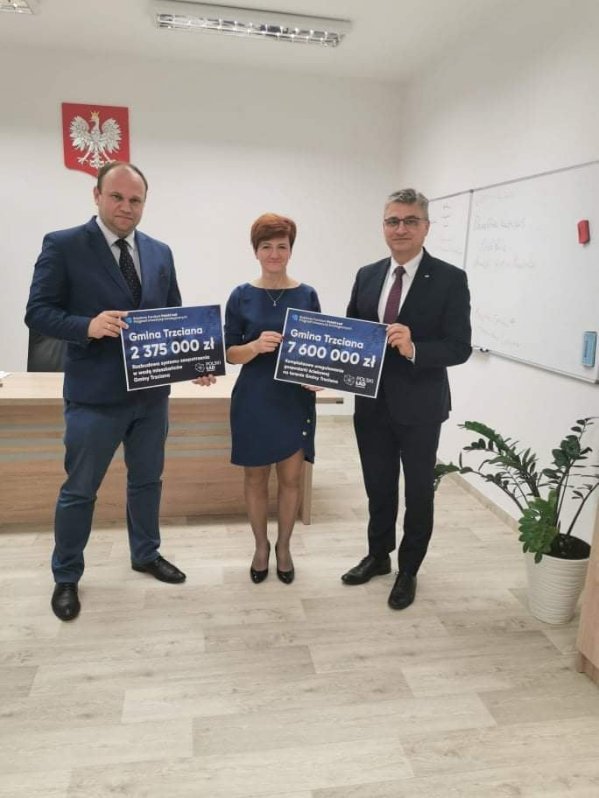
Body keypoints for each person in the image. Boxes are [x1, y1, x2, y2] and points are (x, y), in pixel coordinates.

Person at [25, 161, 215, 622]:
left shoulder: (160, 251)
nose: (126, 207)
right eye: (117, 197)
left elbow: (172, 315)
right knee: (80, 490)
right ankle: (66, 575)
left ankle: (145, 554)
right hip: (94, 397)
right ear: (97, 195)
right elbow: (37, 312)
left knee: (147, 481)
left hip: (151, 396)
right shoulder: (64, 245)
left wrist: (194, 361)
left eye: (135, 200)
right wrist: (87, 326)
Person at [341, 188, 472, 609]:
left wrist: (415, 348)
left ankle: (408, 569)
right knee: (378, 486)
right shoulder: (367, 274)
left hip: (420, 406)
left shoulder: (450, 279)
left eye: (410, 221)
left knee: (418, 492)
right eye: (393, 221)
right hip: (371, 404)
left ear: (425, 227)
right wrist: (323, 369)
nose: (401, 229)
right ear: (384, 226)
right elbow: (351, 334)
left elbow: (460, 347)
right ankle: (378, 556)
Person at [224, 213, 320, 585]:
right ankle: (261, 546)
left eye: (282, 246)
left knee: (292, 479)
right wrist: (254, 346)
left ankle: (284, 547)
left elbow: (319, 349)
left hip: (294, 399)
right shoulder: (241, 295)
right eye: (267, 246)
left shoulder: (307, 295)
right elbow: (229, 353)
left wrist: (317, 377)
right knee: (255, 478)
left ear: (291, 250)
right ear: (256, 251)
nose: (274, 253)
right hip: (254, 398)